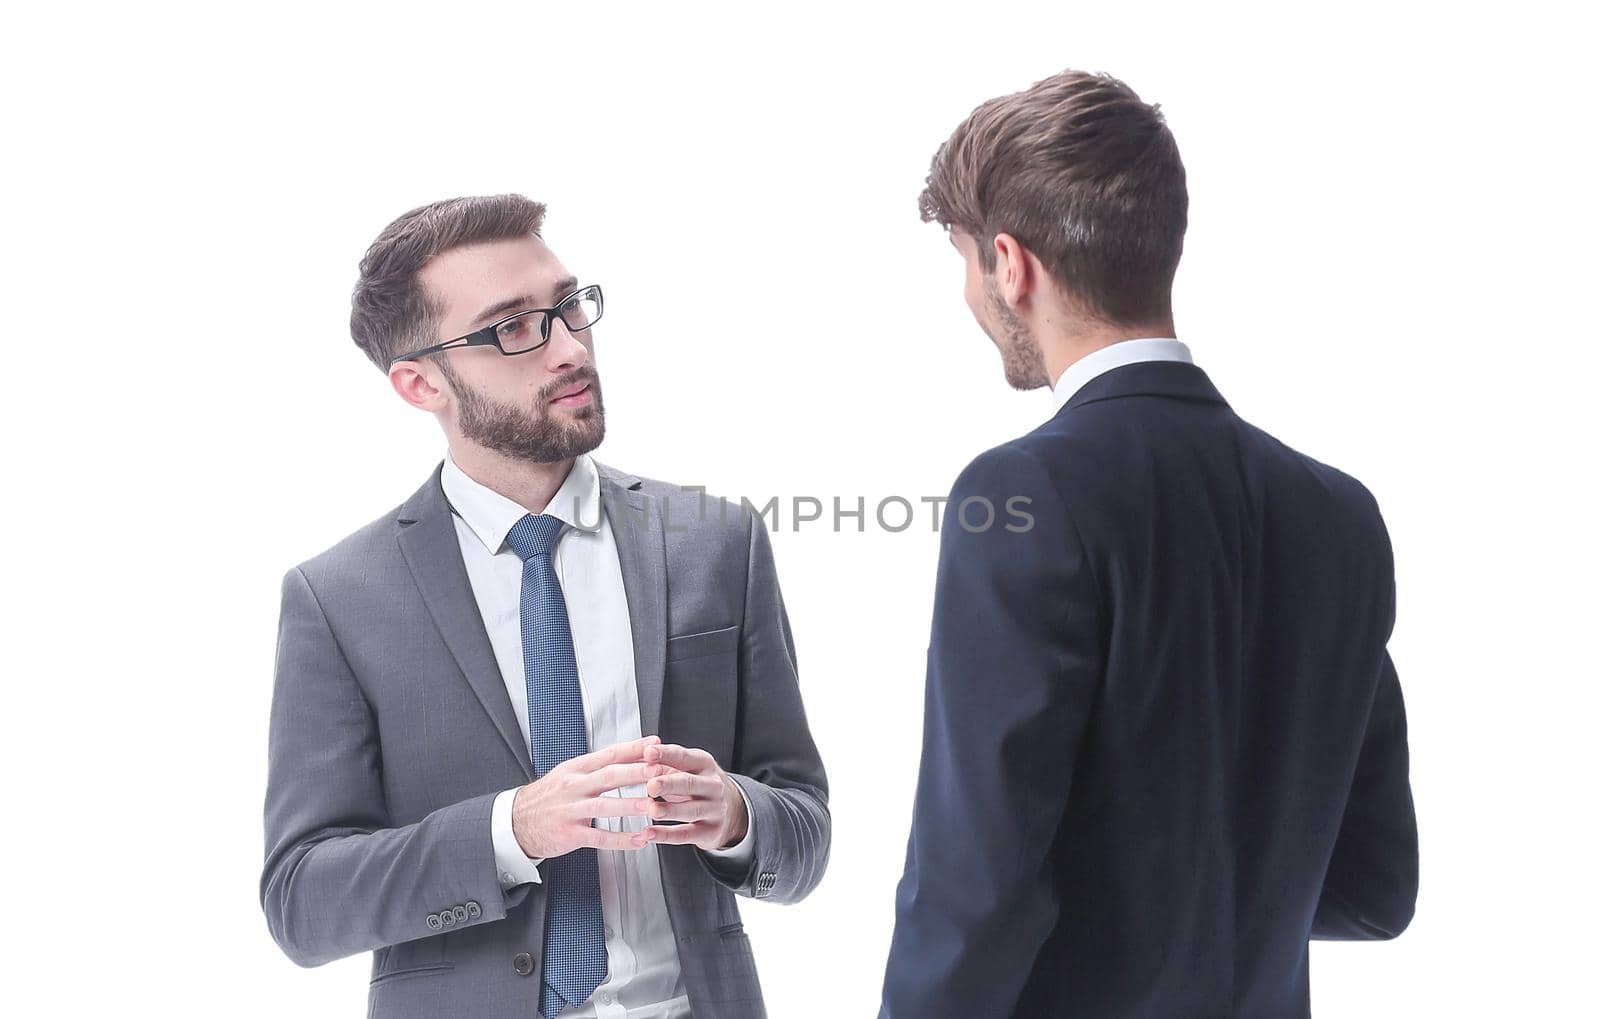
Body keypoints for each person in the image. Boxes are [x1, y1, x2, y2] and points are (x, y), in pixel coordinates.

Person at [879, 70, 1417, 1018]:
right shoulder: (1341, 514)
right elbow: (1374, 888)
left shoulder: (1018, 493)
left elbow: (971, 888)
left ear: (1011, 263)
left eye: (963, 259)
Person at [260, 194, 829, 1019]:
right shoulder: (339, 597)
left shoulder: (715, 541)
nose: (568, 347)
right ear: (420, 383)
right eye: (512, 327)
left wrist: (738, 814)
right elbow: (301, 901)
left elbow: (804, 829)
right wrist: (510, 829)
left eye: (568, 308)